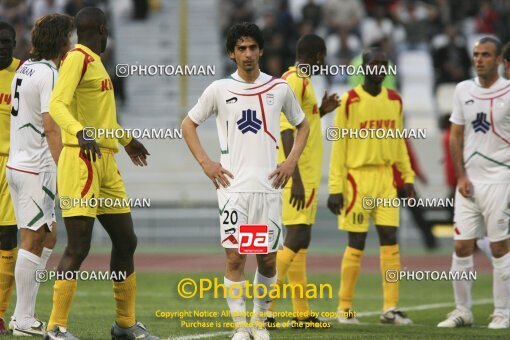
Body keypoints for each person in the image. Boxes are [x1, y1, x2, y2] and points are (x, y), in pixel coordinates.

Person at [181, 22, 309, 340]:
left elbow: (303, 126)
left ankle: (258, 321)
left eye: (253, 47)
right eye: (241, 48)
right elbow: (188, 125)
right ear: (231, 54)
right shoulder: (219, 90)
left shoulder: (278, 88)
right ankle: (241, 327)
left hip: (267, 188)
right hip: (233, 190)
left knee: (266, 260)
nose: (248, 54)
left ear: (261, 50)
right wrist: (206, 163)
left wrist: (291, 161)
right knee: (236, 257)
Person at [44, 7, 158, 340]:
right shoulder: (77, 58)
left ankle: (125, 325)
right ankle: (55, 327)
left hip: (105, 159)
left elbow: (102, 118)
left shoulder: (95, 63)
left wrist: (126, 139)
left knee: (126, 239)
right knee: (78, 246)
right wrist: (79, 132)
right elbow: (57, 104)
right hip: (82, 160)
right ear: (103, 29)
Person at [328, 47, 415, 325]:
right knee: (356, 242)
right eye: (373, 63)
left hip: (386, 179)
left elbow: (399, 142)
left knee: (391, 241)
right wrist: (335, 187)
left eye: (383, 64)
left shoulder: (395, 100)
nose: (378, 68)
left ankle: (391, 308)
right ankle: (345, 308)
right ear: (363, 67)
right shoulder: (349, 101)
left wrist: (408, 177)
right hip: (357, 179)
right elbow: (339, 147)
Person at [6, 13, 73, 336]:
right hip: (36, 166)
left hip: (18, 164)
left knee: (48, 235)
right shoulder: (49, 73)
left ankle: (26, 312)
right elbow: (51, 125)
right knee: (33, 238)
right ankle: (22, 318)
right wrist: (66, 167)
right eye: (69, 37)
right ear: (61, 40)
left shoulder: (25, 68)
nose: (72, 43)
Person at [266, 34, 339, 329]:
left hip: (305, 173)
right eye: (324, 56)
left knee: (301, 241)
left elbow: (299, 121)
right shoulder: (295, 79)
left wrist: (320, 111)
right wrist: (292, 174)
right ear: (318, 55)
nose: (325, 62)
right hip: (298, 174)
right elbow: (285, 130)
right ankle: (264, 307)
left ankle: (301, 312)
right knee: (295, 238)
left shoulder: (300, 81)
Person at [437, 37, 510, 329]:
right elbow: (456, 135)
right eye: (476, 54)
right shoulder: (462, 90)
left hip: (502, 180)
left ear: (500, 61)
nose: (479, 59)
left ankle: (502, 312)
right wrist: (461, 175)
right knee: (462, 246)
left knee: (499, 248)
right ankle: (462, 310)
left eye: (486, 55)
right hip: (469, 183)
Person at [0, 20, 22, 335]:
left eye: (8, 41)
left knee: (7, 237)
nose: (3, 45)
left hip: (11, 165)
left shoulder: (25, 73)